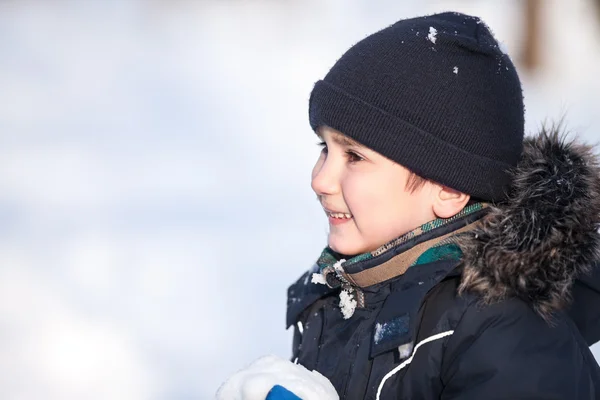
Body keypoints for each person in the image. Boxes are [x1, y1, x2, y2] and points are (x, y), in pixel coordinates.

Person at [218, 11, 600, 400]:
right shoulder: (346, 294)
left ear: (449, 189)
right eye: (324, 148)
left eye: (354, 156)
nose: (320, 180)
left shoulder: (504, 333)